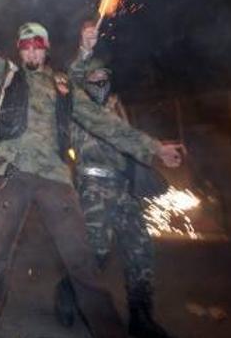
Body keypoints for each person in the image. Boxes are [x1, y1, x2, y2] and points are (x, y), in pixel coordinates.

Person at [0, 0, 183, 338]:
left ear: (46, 49)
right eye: (25, 45)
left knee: (81, 263)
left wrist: (154, 148)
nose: (31, 51)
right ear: (20, 50)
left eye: (37, 45)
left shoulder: (63, 85)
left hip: (56, 181)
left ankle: (109, 332)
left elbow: (105, 124)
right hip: (12, 175)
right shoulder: (8, 75)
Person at [52, 22, 175, 338]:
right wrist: (84, 49)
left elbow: (128, 139)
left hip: (123, 188)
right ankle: (67, 293)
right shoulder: (78, 105)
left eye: (102, 76)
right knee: (96, 253)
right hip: (93, 187)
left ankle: (141, 317)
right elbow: (74, 76)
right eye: (93, 76)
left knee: (140, 250)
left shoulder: (117, 107)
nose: (98, 80)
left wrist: (154, 152)